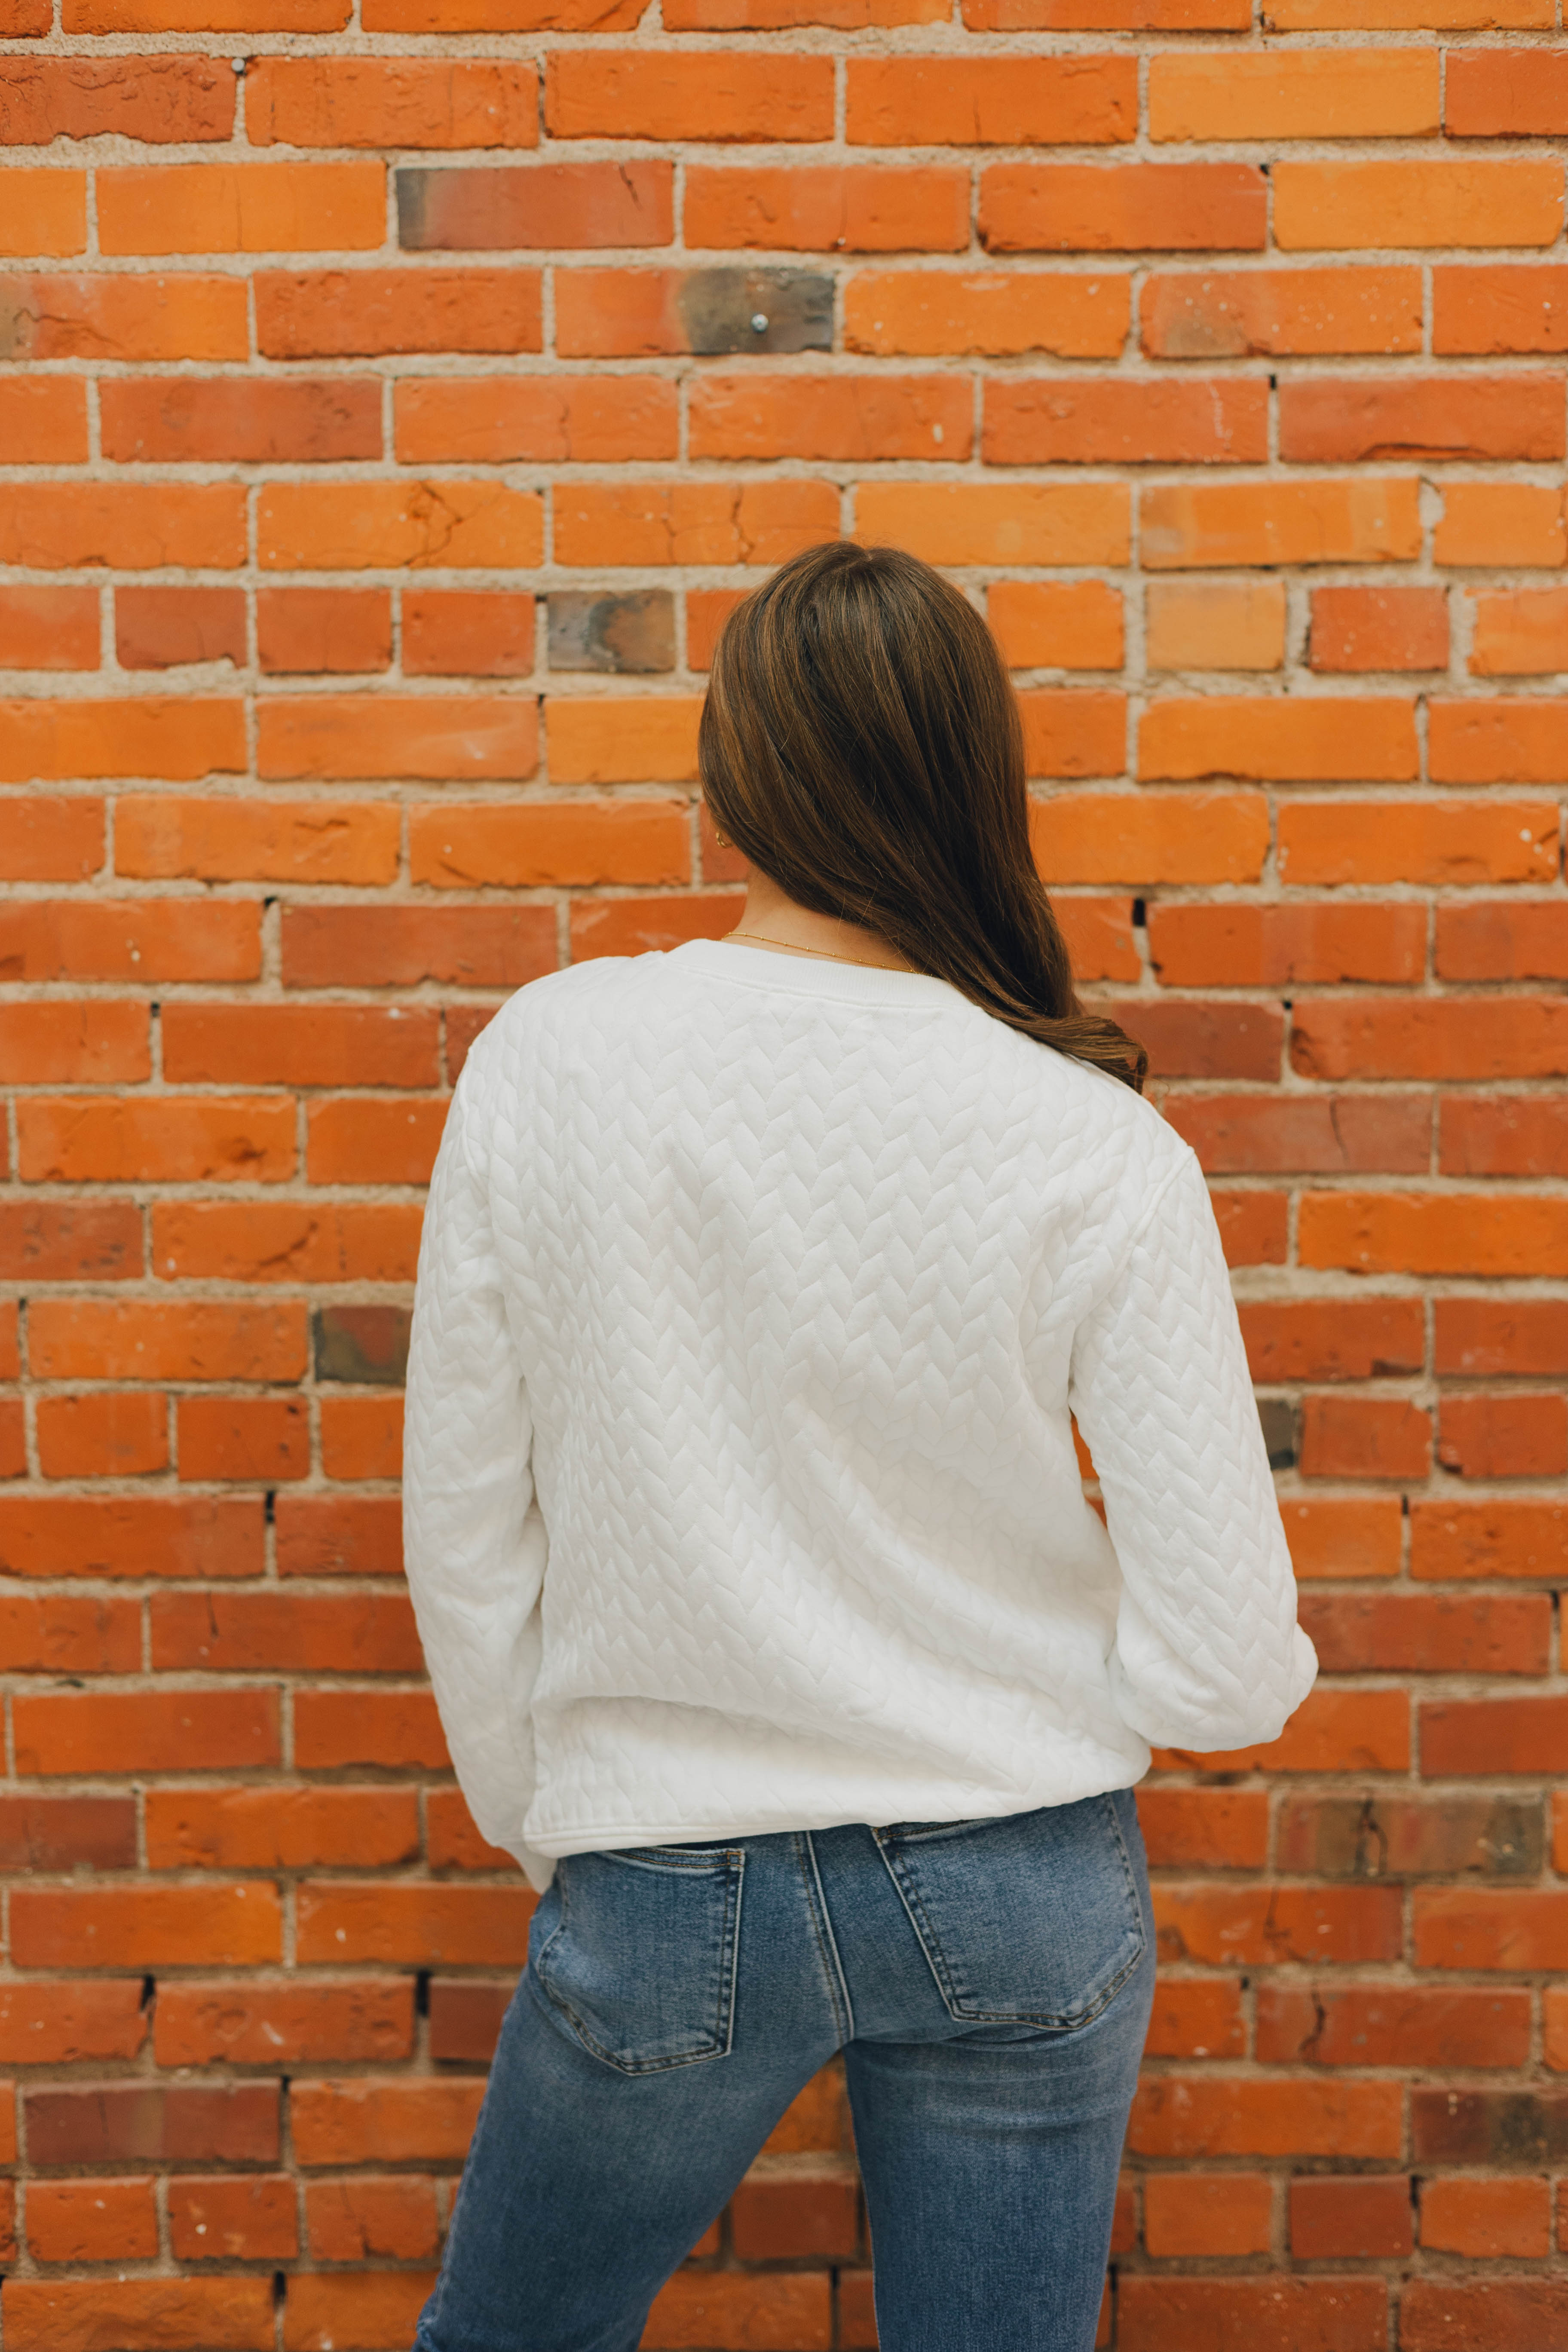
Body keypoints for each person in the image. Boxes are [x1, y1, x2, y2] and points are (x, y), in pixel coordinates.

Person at [403, 539, 1317, 2352]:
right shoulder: (1090, 1140)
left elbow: (465, 1528)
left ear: (730, 778)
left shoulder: (550, 1060)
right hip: (1020, 1869)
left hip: (662, 1869)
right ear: (977, 783)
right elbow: (1223, 1666)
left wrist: (555, 1820)